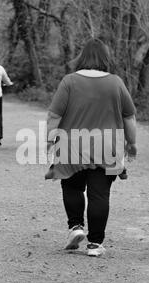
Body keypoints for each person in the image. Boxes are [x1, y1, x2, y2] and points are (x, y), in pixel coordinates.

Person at [46, 38, 137, 257]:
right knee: (99, 194)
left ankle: (76, 227)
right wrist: (131, 143)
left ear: (82, 57)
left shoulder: (69, 81)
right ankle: (95, 244)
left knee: (72, 187)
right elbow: (129, 116)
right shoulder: (116, 82)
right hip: (107, 146)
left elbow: (54, 115)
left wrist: (50, 141)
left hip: (71, 145)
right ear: (106, 58)